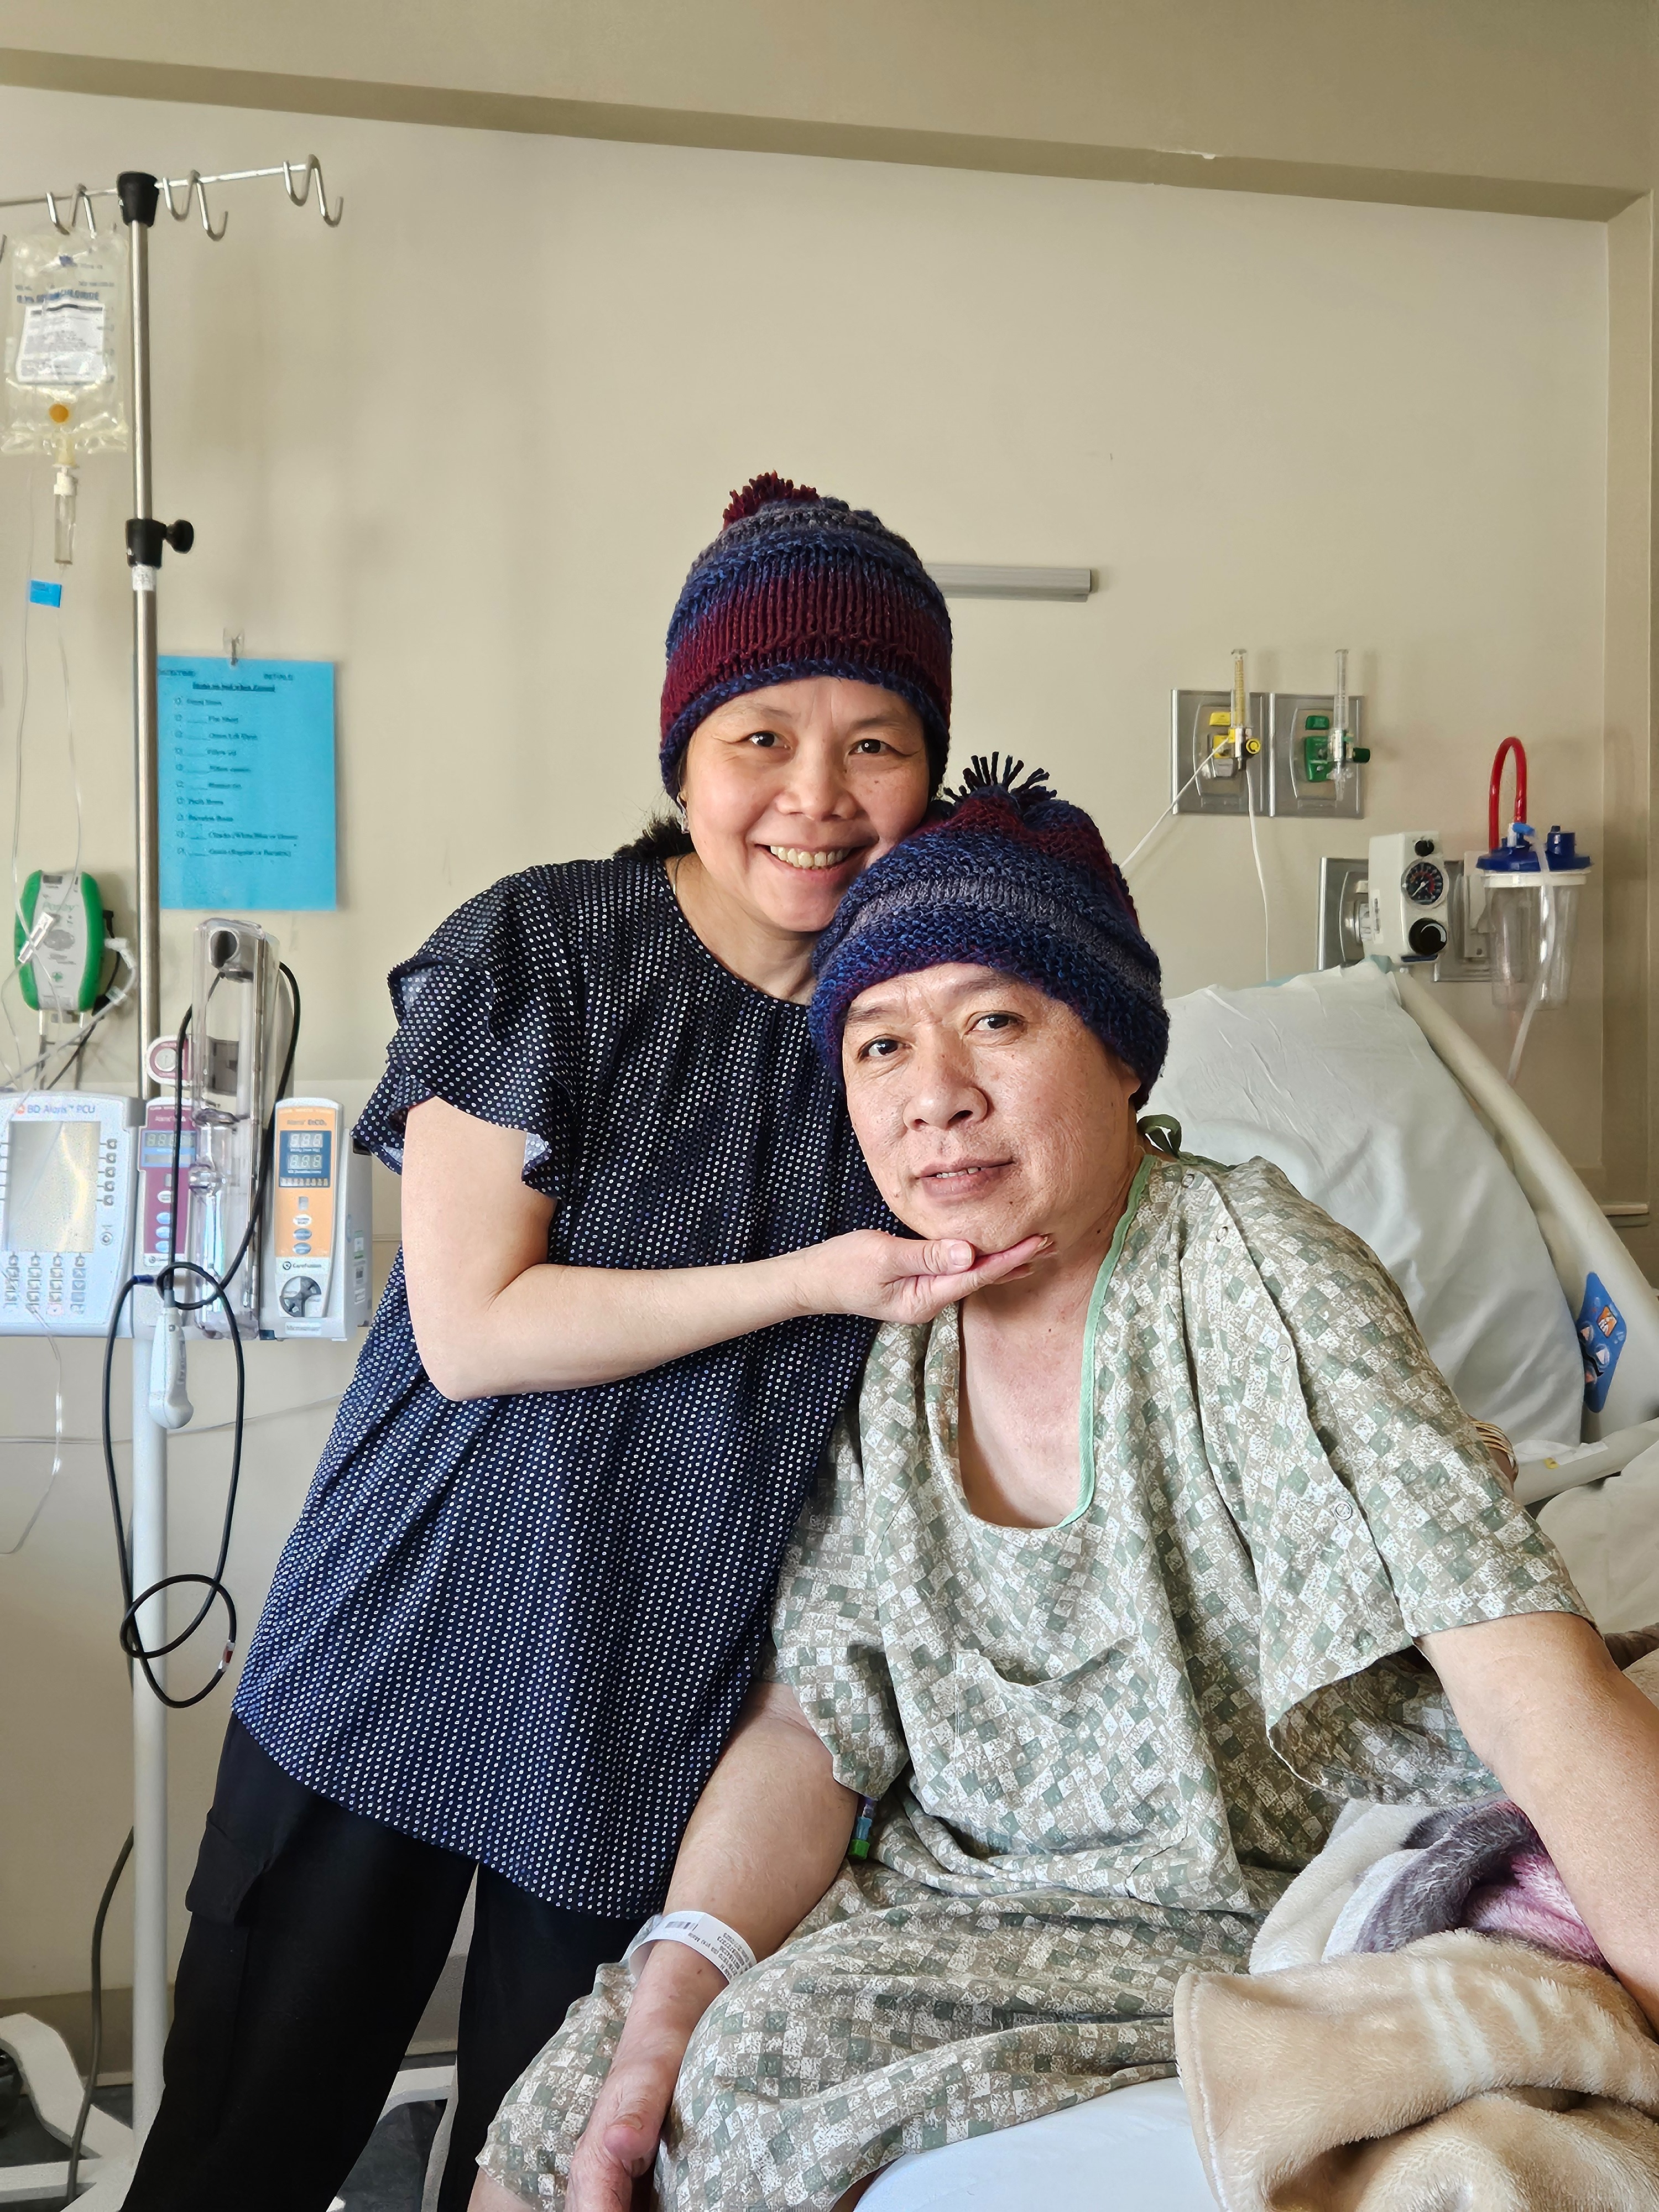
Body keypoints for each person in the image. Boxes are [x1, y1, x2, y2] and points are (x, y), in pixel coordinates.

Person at [473, 761, 1659, 2212]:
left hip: (1230, 1909)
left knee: (748, 2098)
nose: (936, 1098)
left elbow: (1520, 1668)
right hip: (955, 1910)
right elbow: (815, 1723)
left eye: (996, 1021)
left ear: (1121, 1057)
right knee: (573, 2110)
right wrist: (680, 1985)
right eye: (881, 1046)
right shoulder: (891, 1342)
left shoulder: (1255, 1279)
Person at [123, 481, 1047, 2212]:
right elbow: (474, 1332)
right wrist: (807, 1279)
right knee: (243, 2145)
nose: (818, 795)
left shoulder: (902, 1029)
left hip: (649, 1698)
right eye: (763, 738)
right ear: (684, 754)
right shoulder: (545, 948)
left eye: (877, 744)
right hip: (404, 1645)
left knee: (551, 2168)